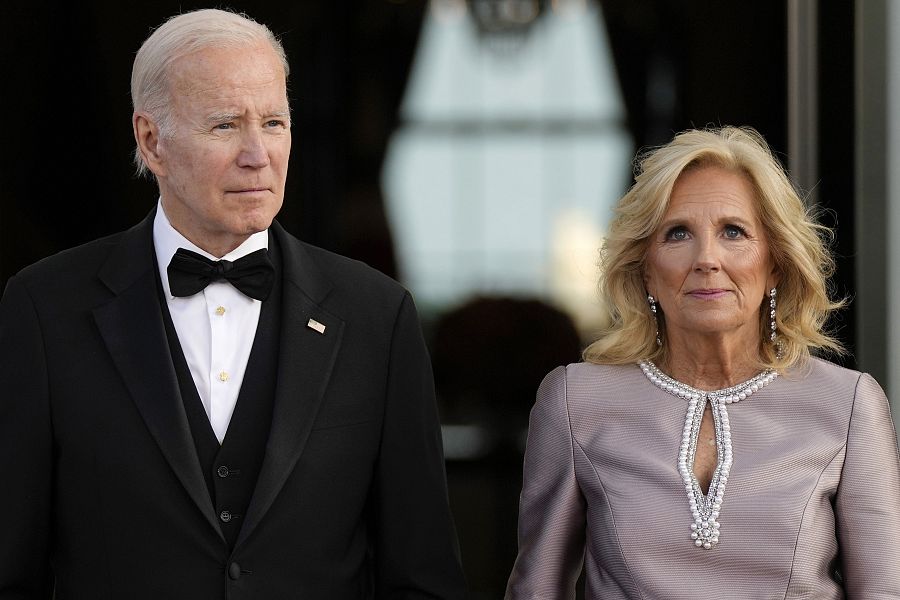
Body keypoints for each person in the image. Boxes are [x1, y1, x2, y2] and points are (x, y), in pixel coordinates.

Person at [0, 9, 466, 599]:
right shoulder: (45, 309)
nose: (257, 154)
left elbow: (423, 578)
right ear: (151, 140)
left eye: (273, 122)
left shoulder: (378, 316)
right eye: (225, 125)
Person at [505, 127, 900, 599]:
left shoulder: (848, 404)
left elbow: (884, 590)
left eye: (733, 232)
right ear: (645, 269)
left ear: (774, 263)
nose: (707, 259)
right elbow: (536, 590)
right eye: (678, 234)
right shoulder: (575, 401)